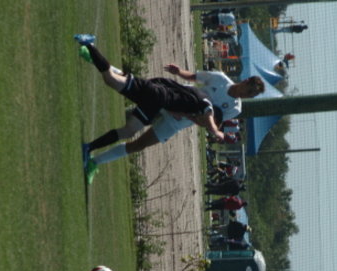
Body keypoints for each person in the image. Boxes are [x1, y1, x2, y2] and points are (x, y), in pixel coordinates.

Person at [75, 33, 265, 182]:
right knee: (129, 88)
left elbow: (209, 121)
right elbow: (195, 77)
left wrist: (195, 120)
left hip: (177, 121)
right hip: (172, 99)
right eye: (249, 91)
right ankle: (93, 55)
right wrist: (179, 72)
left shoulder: (235, 109)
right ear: (246, 81)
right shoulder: (220, 80)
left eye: (251, 95)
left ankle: (94, 162)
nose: (247, 95)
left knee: (137, 143)